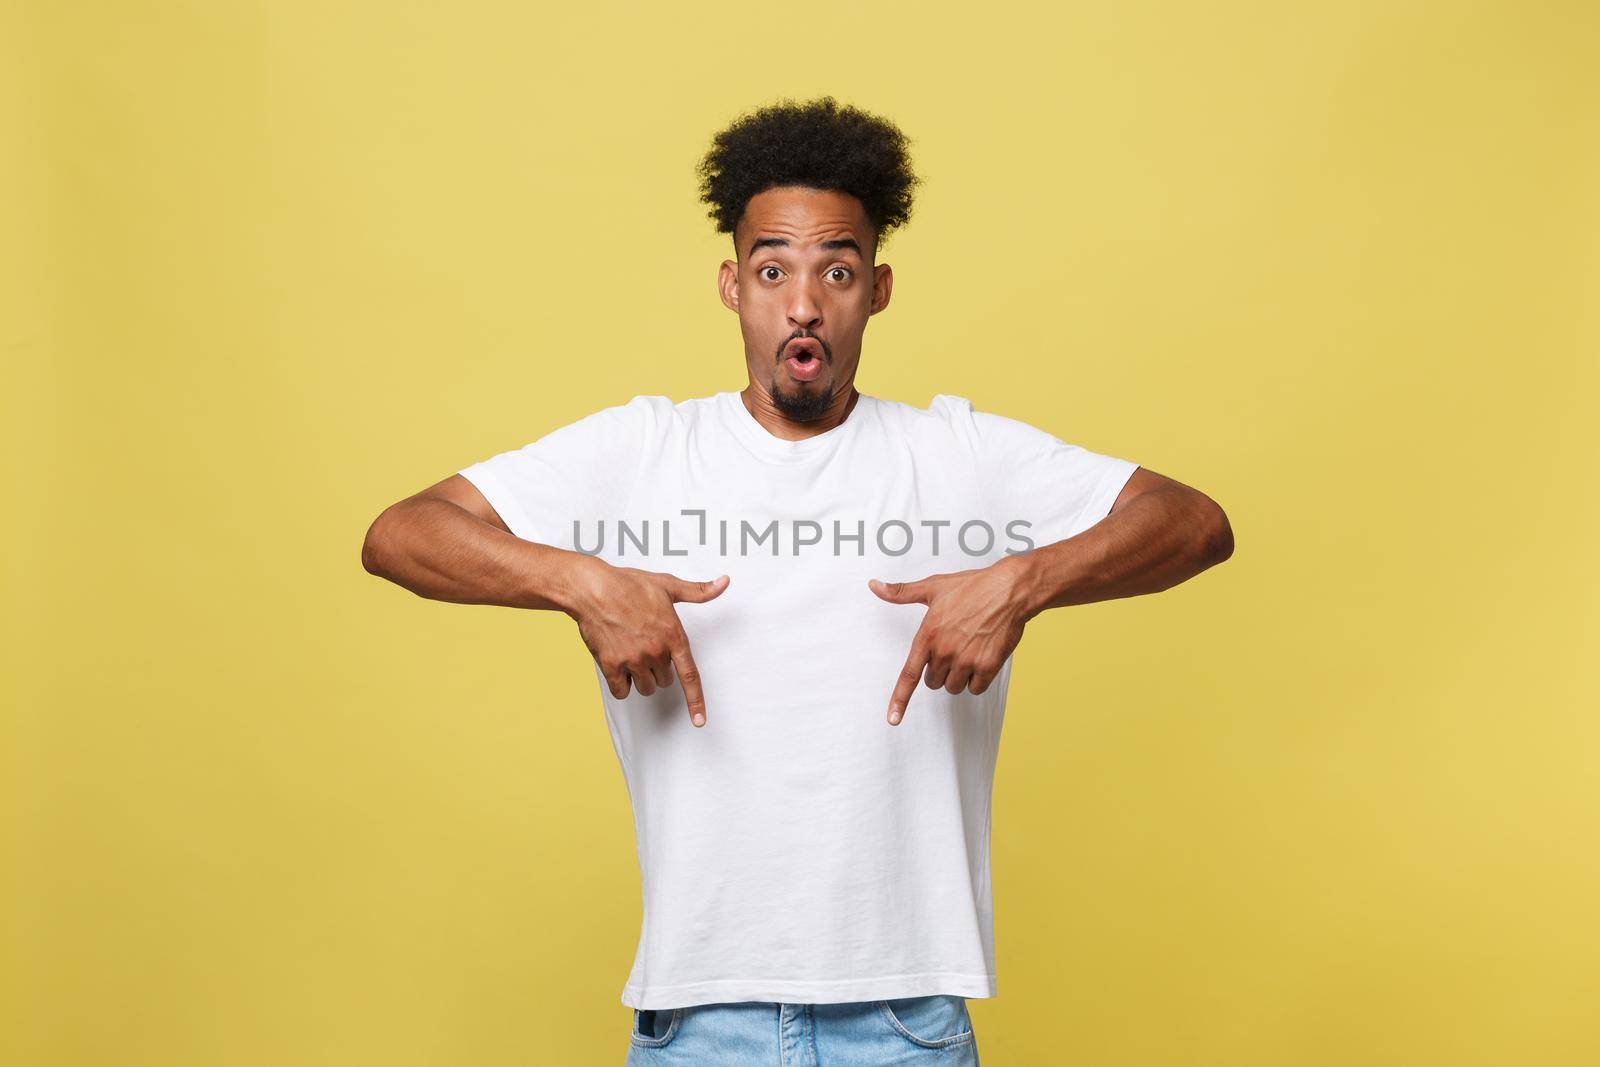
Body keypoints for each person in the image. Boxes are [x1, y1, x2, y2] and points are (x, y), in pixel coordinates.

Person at [362, 95, 1234, 1065]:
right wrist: (579, 580)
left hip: (905, 1017)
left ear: (879, 288)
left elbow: (1192, 521)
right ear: (733, 286)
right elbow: (403, 533)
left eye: (837, 270)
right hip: (697, 1018)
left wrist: (1024, 581)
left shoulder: (957, 452)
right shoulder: (644, 449)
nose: (805, 302)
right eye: (774, 270)